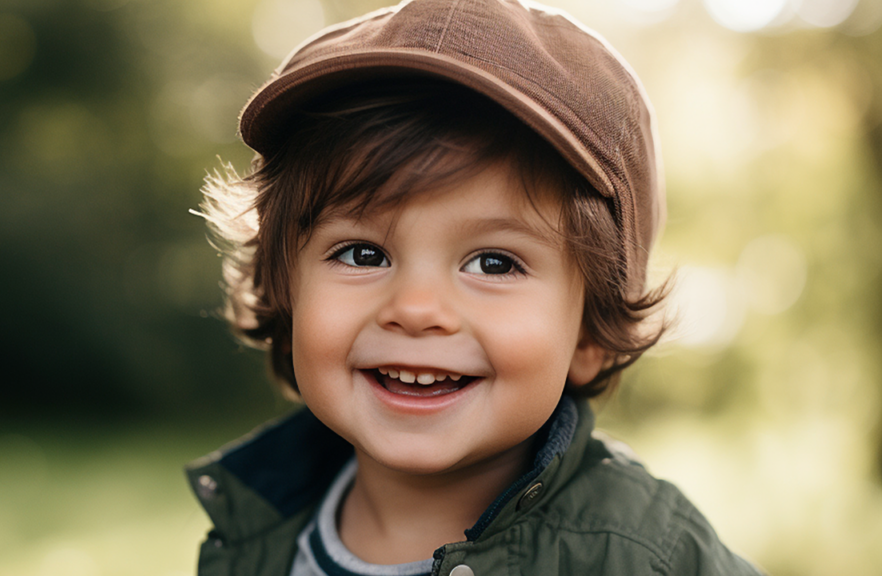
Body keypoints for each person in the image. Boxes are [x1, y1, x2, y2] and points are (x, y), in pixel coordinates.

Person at [186, 0, 763, 574]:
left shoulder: (642, 555)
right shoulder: (253, 536)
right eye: (363, 254)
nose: (415, 309)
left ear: (591, 332)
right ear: (286, 295)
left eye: (493, 263)